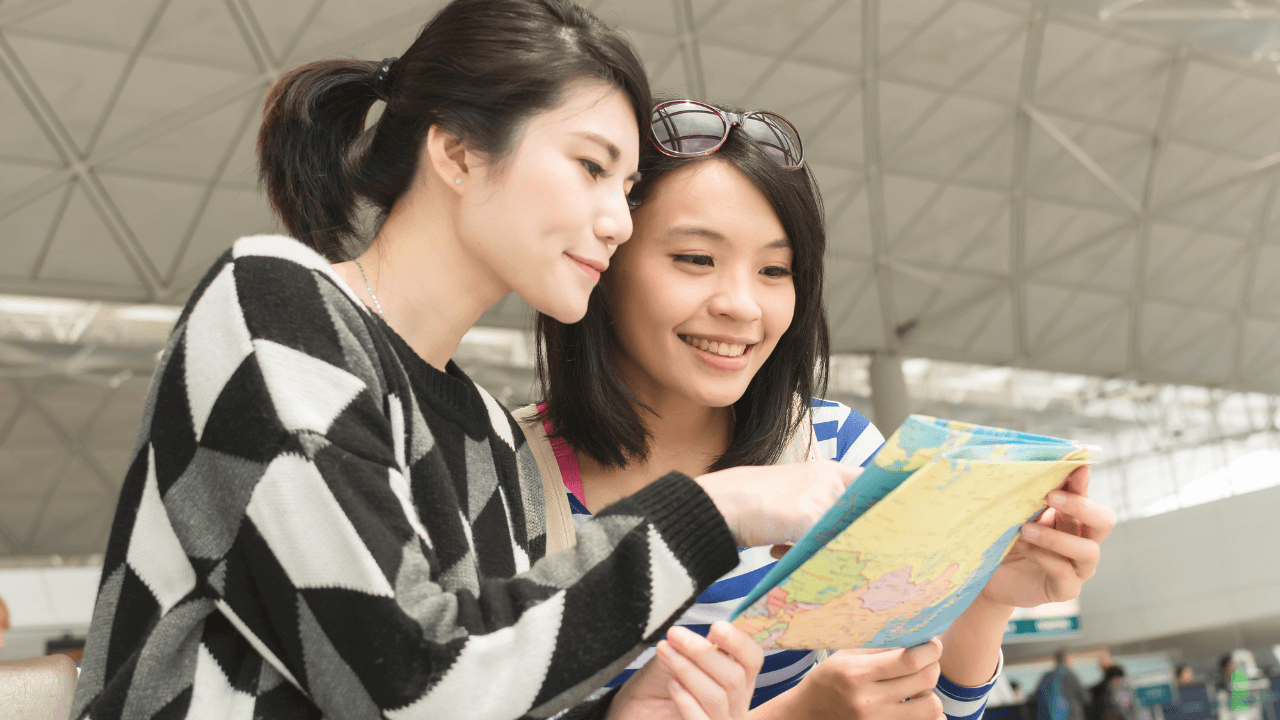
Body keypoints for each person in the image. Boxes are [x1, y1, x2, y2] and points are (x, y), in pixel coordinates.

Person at [69, 3, 861, 719]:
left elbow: (481, 681)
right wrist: (718, 510)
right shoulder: (274, 309)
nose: (618, 221)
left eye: (626, 188)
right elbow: (412, 682)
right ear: (454, 152)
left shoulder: (487, 432)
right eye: (591, 167)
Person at [525, 98, 1117, 719]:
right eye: (696, 259)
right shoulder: (502, 476)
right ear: (605, 256)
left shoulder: (833, 449)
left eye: (775, 269)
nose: (742, 305)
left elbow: (931, 707)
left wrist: (988, 598)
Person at [1037, 649, 1089, 720]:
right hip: (1072, 715)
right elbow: (1085, 697)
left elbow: (1036, 696)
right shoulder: (1070, 675)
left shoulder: (1046, 677)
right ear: (1067, 659)